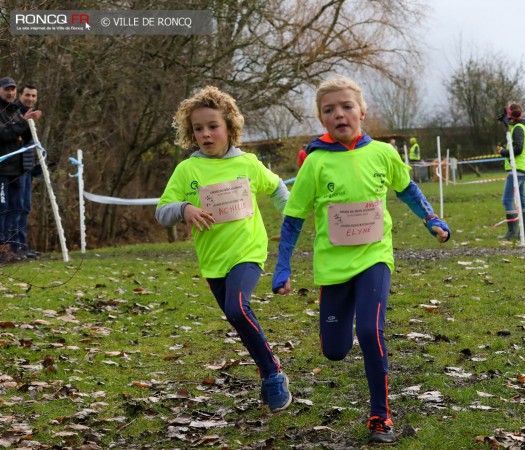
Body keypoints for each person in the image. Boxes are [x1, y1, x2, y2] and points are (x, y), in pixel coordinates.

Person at [271, 76, 450, 444]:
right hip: (333, 268)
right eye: (329, 110)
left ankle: (380, 416)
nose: (339, 114)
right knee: (334, 351)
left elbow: (407, 189)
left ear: (362, 112)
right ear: (322, 119)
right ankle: (344, 320)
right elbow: (293, 219)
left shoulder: (383, 153)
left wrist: (430, 218)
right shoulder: (315, 163)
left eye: (347, 106)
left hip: (375, 257)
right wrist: (283, 266)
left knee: (370, 332)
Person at [156, 86, 292, 413]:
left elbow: (277, 189)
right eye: (198, 128)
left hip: (247, 252)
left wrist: (291, 220)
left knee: (237, 309)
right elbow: (162, 211)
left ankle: (272, 373)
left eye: (212, 126)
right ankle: (266, 368)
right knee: (236, 317)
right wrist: (185, 208)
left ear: (230, 127)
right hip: (213, 261)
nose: (205, 134)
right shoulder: (187, 170)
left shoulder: (248, 163)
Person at [0, 76, 41, 263]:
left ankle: (13, 247)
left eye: (12, 89)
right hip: (3, 169)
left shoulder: (15, 111)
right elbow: (5, 134)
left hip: (17, 170)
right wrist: (24, 122)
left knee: (17, 208)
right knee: (3, 209)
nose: (10, 93)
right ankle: (4, 247)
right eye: (6, 89)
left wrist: (28, 123)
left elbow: (24, 140)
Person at [13, 84, 42, 258]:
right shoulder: (15, 113)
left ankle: (23, 245)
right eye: (27, 95)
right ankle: (14, 246)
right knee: (16, 208)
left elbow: (31, 143)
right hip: (15, 169)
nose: (30, 99)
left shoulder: (33, 115)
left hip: (28, 167)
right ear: (20, 96)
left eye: (33, 96)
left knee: (25, 207)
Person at [496, 102, 525, 239]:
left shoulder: (518, 128)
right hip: (522, 168)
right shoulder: (521, 126)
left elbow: (518, 149)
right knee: (521, 200)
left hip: (517, 169)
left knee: (507, 200)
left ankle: (512, 232)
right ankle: (524, 232)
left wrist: (503, 151)